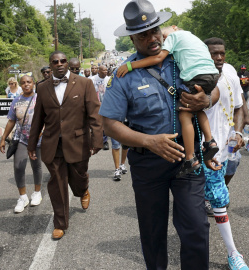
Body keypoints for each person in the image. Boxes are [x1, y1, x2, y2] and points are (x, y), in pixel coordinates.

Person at [101, 0, 214, 268]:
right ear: (131, 37)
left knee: (197, 229)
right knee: (152, 233)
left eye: (155, 31)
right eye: (143, 34)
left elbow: (212, 85)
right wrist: (148, 141)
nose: (152, 38)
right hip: (148, 164)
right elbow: (109, 123)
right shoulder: (123, 74)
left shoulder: (180, 54)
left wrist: (205, 100)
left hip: (188, 160)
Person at [117, 24, 220, 177]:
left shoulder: (174, 37)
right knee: (197, 109)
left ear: (174, 27)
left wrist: (131, 65)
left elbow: (159, 57)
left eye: (161, 35)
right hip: (211, 75)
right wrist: (205, 99)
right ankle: (210, 141)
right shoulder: (194, 38)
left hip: (196, 76)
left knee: (185, 115)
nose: (162, 40)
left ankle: (190, 158)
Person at [27, 50, 103, 239]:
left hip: (78, 141)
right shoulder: (42, 87)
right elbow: (38, 118)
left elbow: (94, 113)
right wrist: (31, 143)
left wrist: (97, 139)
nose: (59, 64)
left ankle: (83, 189)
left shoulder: (84, 83)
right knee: (57, 182)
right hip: (53, 143)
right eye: (55, 61)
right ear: (50, 65)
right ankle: (60, 222)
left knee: (78, 177)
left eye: (62, 61)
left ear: (67, 63)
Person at [201, 37, 249, 270]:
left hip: (228, 145)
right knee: (218, 200)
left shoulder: (230, 71)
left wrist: (238, 133)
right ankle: (232, 253)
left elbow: (239, 106)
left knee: (233, 164)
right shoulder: (195, 76)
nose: (218, 58)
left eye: (221, 53)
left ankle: (210, 196)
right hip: (204, 151)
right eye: (213, 54)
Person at [0, 75, 43, 213]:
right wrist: (3, 138)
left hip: (38, 139)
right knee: (18, 166)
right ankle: (22, 197)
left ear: (33, 84)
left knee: (36, 165)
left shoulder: (40, 99)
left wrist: (41, 133)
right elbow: (11, 120)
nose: (26, 85)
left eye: (28, 82)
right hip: (21, 138)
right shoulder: (16, 101)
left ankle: (37, 192)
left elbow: (47, 118)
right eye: (23, 83)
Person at [92, 65, 111, 151]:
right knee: (96, 123)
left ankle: (104, 141)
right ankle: (95, 141)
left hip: (106, 104)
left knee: (104, 123)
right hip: (95, 104)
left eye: (106, 70)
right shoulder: (92, 80)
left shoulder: (109, 79)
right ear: (99, 71)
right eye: (103, 70)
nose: (105, 72)